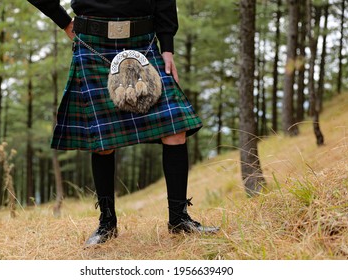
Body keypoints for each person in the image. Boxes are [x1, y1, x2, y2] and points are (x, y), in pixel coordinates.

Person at [28, 0, 219, 246]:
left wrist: (168, 47)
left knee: (176, 128)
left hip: (145, 43)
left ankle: (179, 219)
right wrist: (63, 20)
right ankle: (107, 223)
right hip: (92, 42)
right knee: (103, 141)